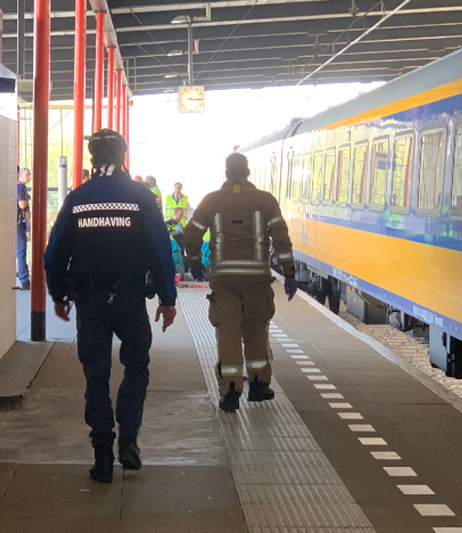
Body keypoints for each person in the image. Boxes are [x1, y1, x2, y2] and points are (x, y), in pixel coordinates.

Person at [44, 129, 178, 484]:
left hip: (90, 302)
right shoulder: (141, 196)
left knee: (96, 376)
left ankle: (102, 455)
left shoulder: (78, 198)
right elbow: (161, 250)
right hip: (130, 300)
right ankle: (128, 441)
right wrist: (167, 299)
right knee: (136, 367)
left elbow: (54, 252)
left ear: (92, 158)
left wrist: (58, 295)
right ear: (123, 157)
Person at [183, 153, 298, 413]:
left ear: (226, 173)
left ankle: (230, 392)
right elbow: (281, 238)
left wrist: (195, 262)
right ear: (247, 172)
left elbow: (192, 233)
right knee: (256, 330)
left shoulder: (212, 200)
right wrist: (289, 273)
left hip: (223, 280)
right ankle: (258, 386)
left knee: (228, 333)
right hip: (257, 280)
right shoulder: (265, 201)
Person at [16, 167, 32, 290]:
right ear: (20, 175)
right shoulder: (20, 188)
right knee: (21, 249)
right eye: (27, 175)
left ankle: (23, 274)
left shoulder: (17, 187)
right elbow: (22, 204)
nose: (29, 177)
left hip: (15, 221)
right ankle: (24, 278)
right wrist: (27, 198)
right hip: (18, 222)